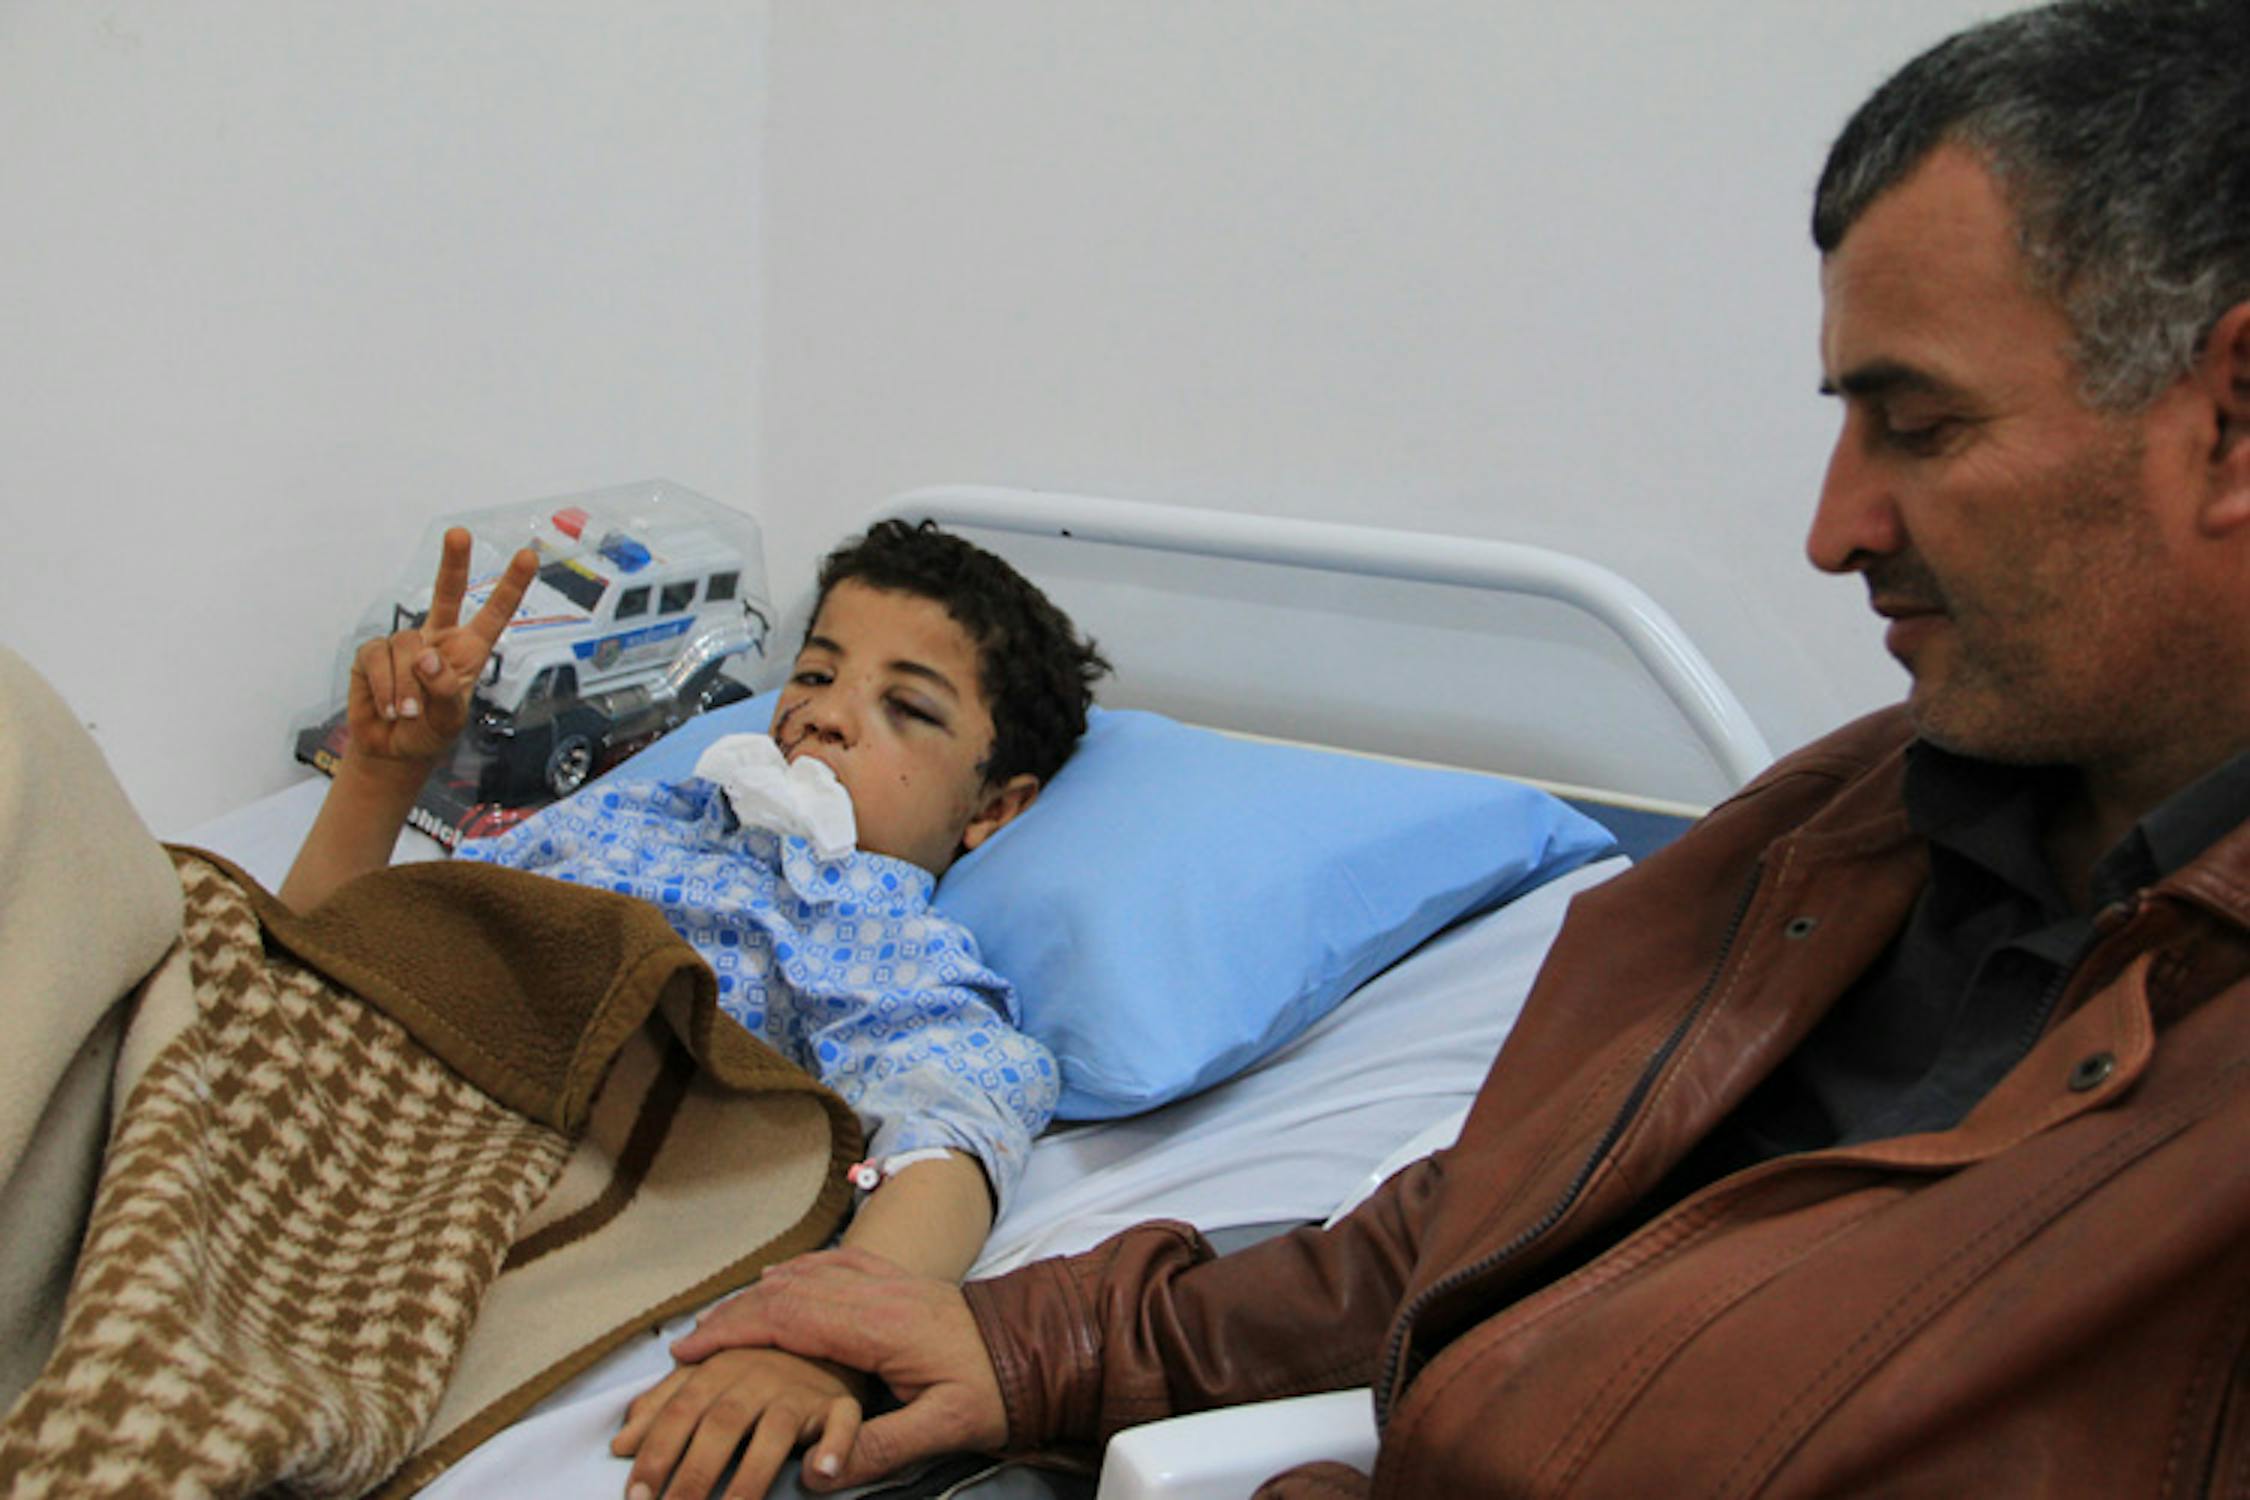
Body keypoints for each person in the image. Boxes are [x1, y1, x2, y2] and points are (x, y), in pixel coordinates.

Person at [660, 3, 2250, 1494]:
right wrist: (1043, 1343)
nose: (1835, 528)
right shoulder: (1842, 835)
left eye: (1919, 425)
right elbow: (1502, 1219)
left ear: (2231, 415)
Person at [277, 518, 1110, 1500]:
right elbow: (330, 964)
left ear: (991, 811)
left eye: (906, 709)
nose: (826, 717)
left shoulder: (877, 936)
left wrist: (820, 1344)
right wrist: (383, 770)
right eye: (813, 674)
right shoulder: (628, 815)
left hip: (500, 1160)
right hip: (346, 1090)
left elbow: (952, 1133)